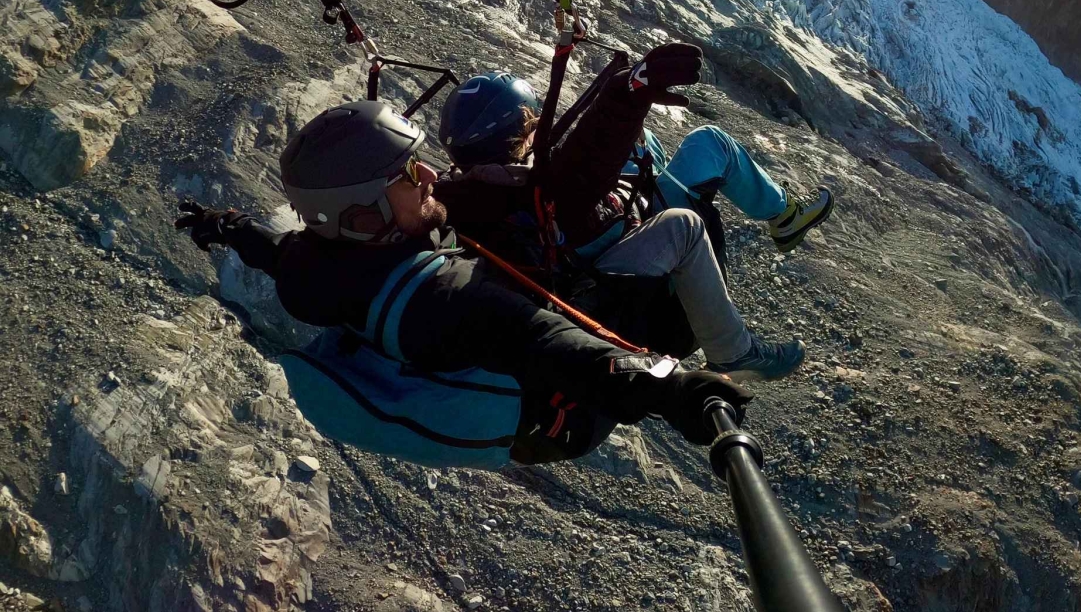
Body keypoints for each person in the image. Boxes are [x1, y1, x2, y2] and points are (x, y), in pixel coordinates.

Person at [175, 98, 754, 464]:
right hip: (565, 415)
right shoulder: (444, 297)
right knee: (690, 227)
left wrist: (227, 227)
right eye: (405, 173)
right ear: (363, 211)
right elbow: (547, 342)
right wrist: (669, 386)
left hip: (486, 363)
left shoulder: (316, 263)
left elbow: (278, 253)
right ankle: (727, 347)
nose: (428, 175)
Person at [434, 45, 815, 382]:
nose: (541, 130)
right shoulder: (535, 188)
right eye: (533, 126)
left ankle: (782, 216)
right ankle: (736, 352)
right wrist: (624, 101)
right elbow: (578, 182)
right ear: (515, 137)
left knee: (645, 142)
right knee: (706, 156)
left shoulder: (478, 188)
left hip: (597, 245)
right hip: (613, 272)